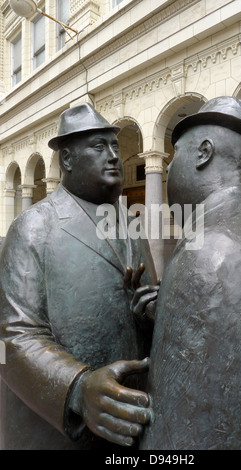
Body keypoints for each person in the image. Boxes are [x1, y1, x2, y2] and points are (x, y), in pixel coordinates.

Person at [140, 96, 241, 450]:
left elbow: (181, 438)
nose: (167, 171)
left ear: (203, 153)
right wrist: (167, 311)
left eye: (175, 156)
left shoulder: (209, 250)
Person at [0, 103, 158, 450]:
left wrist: (147, 314)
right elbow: (13, 337)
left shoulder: (131, 225)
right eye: (99, 147)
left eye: (115, 146)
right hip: (58, 431)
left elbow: (146, 312)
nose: (114, 155)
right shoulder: (33, 227)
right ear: (68, 160)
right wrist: (77, 388)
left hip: (125, 423)